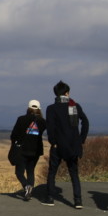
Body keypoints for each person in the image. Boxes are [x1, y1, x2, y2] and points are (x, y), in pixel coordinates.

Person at [42, 80, 89, 208]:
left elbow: (50, 127)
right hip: (73, 145)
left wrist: (53, 142)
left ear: (56, 94)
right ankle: (78, 200)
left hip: (58, 146)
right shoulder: (75, 106)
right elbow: (85, 122)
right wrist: (81, 139)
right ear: (67, 93)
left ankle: (50, 198)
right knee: (74, 173)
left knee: (52, 172)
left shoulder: (51, 108)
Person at [10, 99, 46, 201]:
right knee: (30, 171)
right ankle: (29, 191)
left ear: (28, 108)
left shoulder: (21, 119)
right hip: (36, 151)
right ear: (39, 109)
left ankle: (26, 186)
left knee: (19, 172)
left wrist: (15, 144)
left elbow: (14, 135)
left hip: (22, 149)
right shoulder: (42, 121)